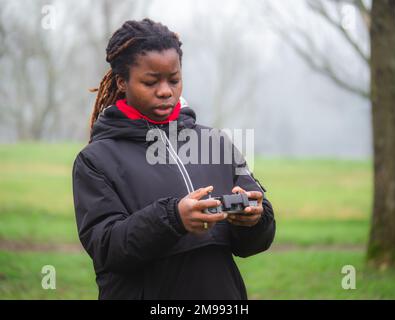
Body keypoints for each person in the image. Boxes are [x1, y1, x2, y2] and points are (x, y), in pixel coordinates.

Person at [72, 18, 276, 300]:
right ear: (122, 82)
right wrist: (173, 218)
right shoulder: (96, 159)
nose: (166, 90)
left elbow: (255, 242)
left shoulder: (214, 142)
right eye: (150, 81)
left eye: (174, 79)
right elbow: (107, 248)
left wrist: (254, 220)